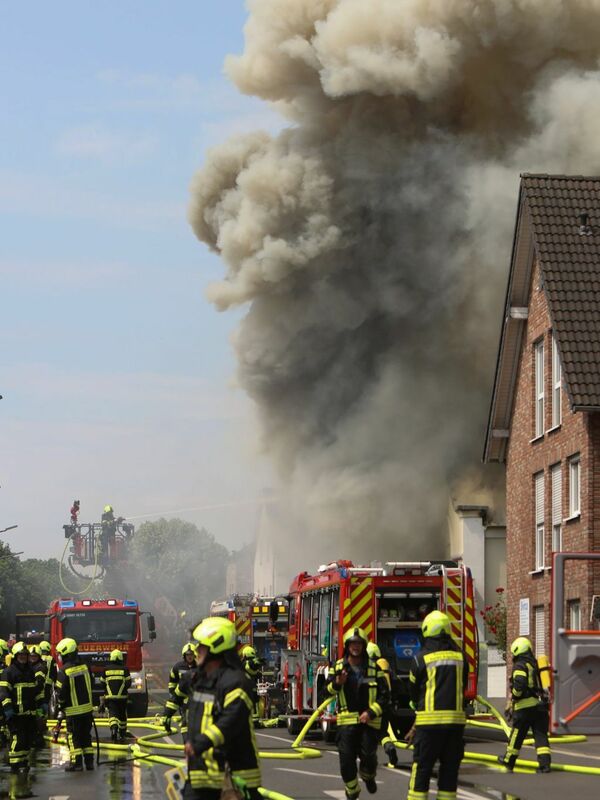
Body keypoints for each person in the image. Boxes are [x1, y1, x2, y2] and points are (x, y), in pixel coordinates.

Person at [183, 616, 261, 800]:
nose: (197, 650)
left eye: (201, 645)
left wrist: (199, 744)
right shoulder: (201, 680)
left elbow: (230, 722)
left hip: (235, 779)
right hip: (201, 776)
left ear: (216, 646)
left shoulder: (237, 682)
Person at [406, 610, 467, 800]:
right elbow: (463, 685)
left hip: (428, 727)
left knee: (422, 769)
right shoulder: (462, 657)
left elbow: (413, 691)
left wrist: (416, 706)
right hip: (455, 726)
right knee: (449, 771)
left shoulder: (420, 659)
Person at [328, 627, 390, 799]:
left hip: (367, 723)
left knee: (369, 758)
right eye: (352, 643)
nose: (356, 646)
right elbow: (324, 692)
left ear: (363, 646)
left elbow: (385, 696)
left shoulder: (374, 668)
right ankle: (352, 789)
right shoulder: (338, 667)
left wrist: (371, 712)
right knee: (346, 761)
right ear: (347, 646)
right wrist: (337, 683)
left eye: (359, 643)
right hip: (346, 724)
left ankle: (368, 776)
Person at [498, 637, 551, 773]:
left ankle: (509, 761)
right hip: (540, 707)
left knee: (516, 735)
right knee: (540, 737)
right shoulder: (535, 664)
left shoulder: (520, 665)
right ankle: (544, 765)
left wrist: (514, 696)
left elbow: (519, 685)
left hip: (524, 708)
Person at [0, 641, 45, 773]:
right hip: (15, 714)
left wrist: (41, 705)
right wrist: (7, 707)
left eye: (25, 655)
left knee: (28, 740)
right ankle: (15, 764)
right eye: (20, 655)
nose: (23, 658)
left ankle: (24, 762)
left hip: (29, 713)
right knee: (17, 740)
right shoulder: (9, 672)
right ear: (15, 656)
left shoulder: (31, 672)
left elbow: (35, 691)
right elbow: (3, 692)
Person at [55, 637, 95, 772]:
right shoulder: (85, 666)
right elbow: (92, 684)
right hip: (87, 710)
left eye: (60, 654)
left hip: (73, 711)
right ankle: (89, 763)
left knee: (73, 737)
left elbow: (60, 693)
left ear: (66, 653)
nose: (59, 657)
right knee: (86, 736)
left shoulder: (64, 671)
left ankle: (76, 763)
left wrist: (60, 706)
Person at [367, 641, 398, 768]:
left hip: (371, 707)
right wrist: (395, 701)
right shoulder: (385, 665)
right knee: (382, 732)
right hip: (386, 705)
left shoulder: (367, 667)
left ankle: (367, 760)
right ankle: (389, 746)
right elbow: (395, 683)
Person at [163, 643, 197, 733]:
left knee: (189, 721)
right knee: (171, 715)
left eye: (191, 655)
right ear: (184, 655)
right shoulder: (178, 667)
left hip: (195, 698)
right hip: (180, 697)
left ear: (195, 655)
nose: (189, 657)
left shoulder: (200, 667)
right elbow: (172, 680)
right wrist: (173, 693)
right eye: (188, 655)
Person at [99, 649, 131, 742]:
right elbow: (128, 683)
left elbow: (102, 682)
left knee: (112, 714)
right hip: (122, 698)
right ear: (121, 658)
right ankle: (122, 733)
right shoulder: (125, 669)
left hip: (110, 698)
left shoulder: (106, 669)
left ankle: (113, 730)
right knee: (122, 716)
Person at [28, 645, 50, 747]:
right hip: (31, 698)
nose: (33, 658)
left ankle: (39, 739)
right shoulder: (29, 666)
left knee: (39, 718)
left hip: (39, 699)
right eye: (31, 656)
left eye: (35, 656)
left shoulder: (41, 667)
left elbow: (39, 684)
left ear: (39, 657)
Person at [241, 644, 262, 723]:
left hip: (245, 687)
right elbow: (253, 672)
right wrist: (258, 674)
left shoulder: (244, 663)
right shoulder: (249, 663)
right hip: (251, 686)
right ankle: (255, 716)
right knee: (254, 700)